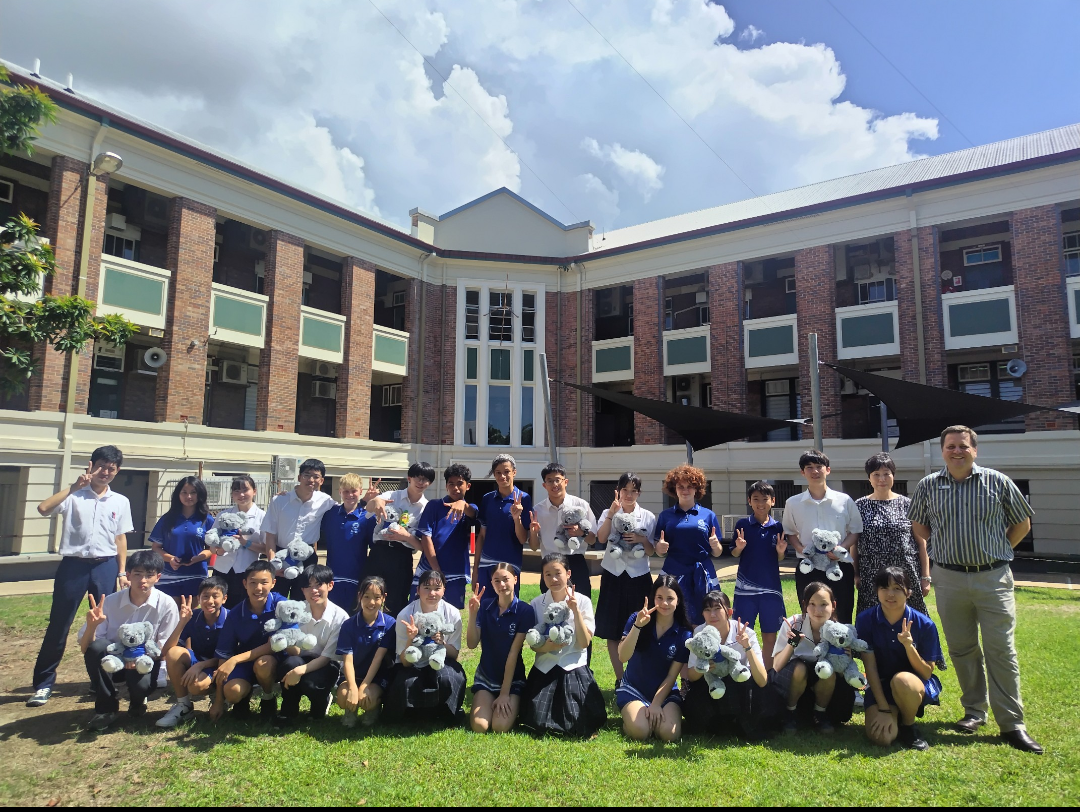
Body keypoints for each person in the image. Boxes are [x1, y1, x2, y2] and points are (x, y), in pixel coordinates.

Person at [909, 425, 1042, 754]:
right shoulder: (928, 486)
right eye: (951, 446)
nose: (957, 451)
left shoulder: (997, 482)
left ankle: (1012, 723)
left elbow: (1022, 523)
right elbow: (919, 525)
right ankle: (974, 712)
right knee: (962, 649)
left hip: (992, 578)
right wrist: (944, 547)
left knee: (1001, 650)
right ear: (942, 451)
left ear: (974, 450)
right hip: (949, 579)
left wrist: (998, 551)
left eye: (963, 446)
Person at [28, 445, 134, 708]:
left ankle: (101, 680)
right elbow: (43, 508)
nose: (105, 472)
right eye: (101, 467)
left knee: (105, 625)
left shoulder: (120, 501)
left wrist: (122, 571)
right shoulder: (75, 495)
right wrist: (75, 487)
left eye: (111, 469)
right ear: (91, 465)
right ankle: (43, 683)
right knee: (59, 625)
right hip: (73, 567)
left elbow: (120, 538)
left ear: (117, 471)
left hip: (106, 566)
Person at [78, 549, 179, 730]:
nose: (143, 580)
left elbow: (164, 648)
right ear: (128, 575)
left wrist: (139, 657)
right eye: (137, 574)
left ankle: (137, 702)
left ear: (158, 577)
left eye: (149, 575)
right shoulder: (110, 602)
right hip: (113, 660)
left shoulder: (166, 604)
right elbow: (87, 648)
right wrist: (92, 626)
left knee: (142, 686)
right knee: (97, 647)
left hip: (144, 661)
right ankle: (106, 708)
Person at [858, 566, 944, 751]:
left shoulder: (925, 624)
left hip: (912, 684)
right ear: (876, 591)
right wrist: (883, 708)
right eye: (884, 588)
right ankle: (894, 711)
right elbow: (870, 667)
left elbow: (926, 673)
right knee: (883, 738)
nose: (890, 594)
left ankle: (908, 724)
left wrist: (909, 646)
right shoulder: (865, 620)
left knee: (902, 680)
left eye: (897, 588)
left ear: (909, 592)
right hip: (881, 684)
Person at [521, 554, 606, 737]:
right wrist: (547, 648)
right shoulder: (536, 603)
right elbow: (534, 645)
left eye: (558, 573)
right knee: (536, 721)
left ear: (568, 574)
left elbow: (584, 642)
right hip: (545, 665)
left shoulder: (582, 601)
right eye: (548, 574)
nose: (553, 579)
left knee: (578, 722)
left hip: (573, 665)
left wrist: (576, 611)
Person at [255, 564, 349, 726]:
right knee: (289, 664)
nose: (314, 591)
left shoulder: (340, 617)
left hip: (326, 664)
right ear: (302, 590)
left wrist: (300, 671)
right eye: (308, 586)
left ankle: (321, 702)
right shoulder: (295, 610)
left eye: (318, 585)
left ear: (330, 585)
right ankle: (288, 710)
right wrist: (285, 638)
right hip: (299, 658)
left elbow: (327, 657)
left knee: (310, 681)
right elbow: (294, 652)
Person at [781, 450, 863, 625]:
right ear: (802, 472)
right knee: (811, 615)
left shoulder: (844, 500)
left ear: (828, 470)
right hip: (808, 567)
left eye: (819, 466)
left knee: (842, 613)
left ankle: (842, 644)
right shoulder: (793, 503)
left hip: (839, 566)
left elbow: (855, 530)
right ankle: (812, 644)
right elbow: (790, 532)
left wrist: (841, 549)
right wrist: (801, 549)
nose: (815, 471)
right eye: (809, 467)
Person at [595, 472, 657, 685]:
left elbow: (651, 551)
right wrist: (611, 514)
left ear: (639, 493)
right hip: (613, 576)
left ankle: (636, 676)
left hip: (639, 577)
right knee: (612, 629)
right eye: (625, 490)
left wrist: (641, 539)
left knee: (640, 627)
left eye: (634, 491)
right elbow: (601, 537)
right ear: (618, 491)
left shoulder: (647, 516)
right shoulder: (608, 512)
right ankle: (620, 678)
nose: (629, 495)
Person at [682, 590, 770, 740]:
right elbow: (691, 676)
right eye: (707, 610)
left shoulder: (746, 633)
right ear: (703, 614)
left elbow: (762, 680)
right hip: (712, 685)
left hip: (738, 687)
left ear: (729, 612)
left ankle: (739, 723)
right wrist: (703, 667)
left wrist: (747, 647)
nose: (712, 615)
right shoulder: (699, 633)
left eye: (717, 609)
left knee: (745, 682)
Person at [383, 570, 467, 726]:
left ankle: (445, 712)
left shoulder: (453, 614)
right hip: (413, 662)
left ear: (444, 590)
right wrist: (410, 639)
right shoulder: (405, 615)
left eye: (437, 588)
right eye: (427, 588)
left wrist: (442, 643)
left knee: (450, 678)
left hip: (439, 661)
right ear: (418, 590)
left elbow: (454, 654)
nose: (432, 593)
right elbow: (404, 662)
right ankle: (415, 714)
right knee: (407, 683)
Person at [770, 581, 856, 733]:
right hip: (793, 679)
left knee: (828, 671)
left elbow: (842, 673)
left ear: (833, 605)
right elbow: (776, 666)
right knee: (800, 668)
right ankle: (790, 712)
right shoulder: (793, 624)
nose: (818, 610)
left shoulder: (839, 632)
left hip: (822, 681)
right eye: (812, 604)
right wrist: (792, 644)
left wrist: (847, 659)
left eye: (824, 604)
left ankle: (820, 713)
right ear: (805, 605)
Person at [616, 573, 693, 742]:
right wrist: (638, 626)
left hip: (665, 692)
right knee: (641, 732)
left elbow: (672, 676)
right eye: (659, 598)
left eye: (670, 598)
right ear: (652, 598)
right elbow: (622, 657)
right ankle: (632, 721)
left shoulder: (684, 634)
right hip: (633, 688)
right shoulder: (636, 618)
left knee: (669, 734)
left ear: (678, 601)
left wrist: (657, 703)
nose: (664, 603)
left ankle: (651, 717)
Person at [855, 453, 931, 617]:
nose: (881, 479)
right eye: (876, 474)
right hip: (872, 573)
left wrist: (925, 577)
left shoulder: (908, 504)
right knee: (872, 619)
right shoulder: (859, 506)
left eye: (886, 474)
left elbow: (921, 543)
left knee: (911, 618)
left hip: (906, 572)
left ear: (893, 476)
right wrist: (856, 574)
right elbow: (855, 543)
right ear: (869, 478)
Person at [209, 560, 284, 720]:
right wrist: (219, 701)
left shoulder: (282, 605)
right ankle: (244, 698)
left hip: (276, 663)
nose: (258, 588)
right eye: (253, 583)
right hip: (246, 663)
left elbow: (274, 645)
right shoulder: (236, 614)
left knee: (264, 664)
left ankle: (268, 698)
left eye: (264, 582)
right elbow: (224, 655)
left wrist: (235, 659)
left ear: (273, 583)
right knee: (232, 692)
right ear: (245, 584)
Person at [467, 563, 534, 733]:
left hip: (512, 680)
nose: (502, 584)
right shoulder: (485, 606)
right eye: (497, 581)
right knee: (480, 726)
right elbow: (471, 644)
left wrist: (504, 693)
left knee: (500, 727)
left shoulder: (525, 610)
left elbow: (513, 652)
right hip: (487, 676)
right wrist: (473, 613)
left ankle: (514, 700)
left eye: (506, 579)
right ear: (491, 583)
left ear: (515, 579)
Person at [652, 465, 722, 625]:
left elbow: (717, 552)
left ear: (697, 489)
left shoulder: (708, 515)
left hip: (702, 573)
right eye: (680, 487)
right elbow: (659, 549)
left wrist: (715, 545)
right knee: (672, 616)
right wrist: (660, 549)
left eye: (690, 486)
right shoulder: (665, 516)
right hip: (674, 572)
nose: (685, 490)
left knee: (706, 615)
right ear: (674, 489)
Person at [155, 575, 229, 728]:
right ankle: (183, 706)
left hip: (223, 665)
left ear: (224, 598)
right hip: (200, 662)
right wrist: (182, 622)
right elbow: (166, 651)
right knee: (174, 653)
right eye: (205, 596)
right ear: (199, 598)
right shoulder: (193, 616)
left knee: (196, 686)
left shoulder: (231, 618)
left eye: (215, 596)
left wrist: (201, 665)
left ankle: (220, 697)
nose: (210, 601)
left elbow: (230, 656)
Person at [363, 462, 435, 617]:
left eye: (425, 479)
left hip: (402, 557)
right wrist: (375, 501)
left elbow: (422, 546)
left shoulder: (427, 508)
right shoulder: (391, 496)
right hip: (379, 552)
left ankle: (394, 631)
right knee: (369, 595)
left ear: (429, 483)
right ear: (409, 478)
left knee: (397, 602)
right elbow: (368, 508)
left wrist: (405, 536)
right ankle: (368, 629)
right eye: (417, 478)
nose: (421, 482)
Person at [731, 481, 788, 670]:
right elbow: (734, 554)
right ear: (749, 501)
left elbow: (780, 558)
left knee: (770, 636)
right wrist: (739, 548)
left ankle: (767, 675)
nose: (760, 503)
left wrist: (780, 552)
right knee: (742, 634)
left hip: (771, 591)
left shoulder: (778, 527)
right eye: (756, 499)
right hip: (745, 592)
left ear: (773, 501)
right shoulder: (742, 525)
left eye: (765, 499)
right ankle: (742, 674)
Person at [263, 458, 336, 600]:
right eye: (307, 475)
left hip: (307, 559)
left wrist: (369, 501)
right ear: (299, 477)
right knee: (275, 600)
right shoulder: (279, 500)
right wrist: (273, 564)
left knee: (303, 601)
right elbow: (270, 534)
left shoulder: (325, 501)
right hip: (281, 556)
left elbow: (346, 508)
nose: (311, 480)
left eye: (316, 476)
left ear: (322, 480)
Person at [413, 463, 480, 610]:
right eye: (451, 483)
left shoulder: (471, 509)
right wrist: (436, 569)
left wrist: (462, 504)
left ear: (468, 486)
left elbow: (473, 514)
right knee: (419, 611)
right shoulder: (434, 506)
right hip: (428, 568)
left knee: (450, 615)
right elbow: (425, 537)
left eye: (460, 483)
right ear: (446, 486)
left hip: (456, 574)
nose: (455, 487)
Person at [529, 462, 598, 600]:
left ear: (565, 482)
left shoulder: (581, 506)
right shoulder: (537, 510)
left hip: (575, 562)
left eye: (558, 480)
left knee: (580, 604)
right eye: (550, 481)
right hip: (550, 563)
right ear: (544, 485)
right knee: (550, 605)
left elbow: (592, 540)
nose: (554, 484)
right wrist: (533, 532)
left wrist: (581, 533)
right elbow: (534, 547)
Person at [335, 575, 397, 728]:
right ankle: (350, 711)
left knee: (368, 698)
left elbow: (378, 658)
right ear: (359, 596)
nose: (371, 602)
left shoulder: (390, 624)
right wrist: (352, 687)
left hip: (376, 677)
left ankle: (373, 709)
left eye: (377, 597)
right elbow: (347, 660)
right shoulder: (348, 625)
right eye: (367, 597)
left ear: (384, 598)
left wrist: (364, 686)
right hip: (353, 674)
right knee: (343, 697)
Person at [473, 454, 530, 610]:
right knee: (484, 609)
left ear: (514, 472)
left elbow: (522, 539)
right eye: (498, 472)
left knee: (508, 609)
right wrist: (475, 570)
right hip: (486, 565)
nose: (502, 476)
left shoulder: (523, 499)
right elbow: (482, 535)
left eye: (506, 472)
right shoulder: (487, 499)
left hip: (510, 565)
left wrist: (517, 518)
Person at [150, 477, 215, 601]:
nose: (188, 496)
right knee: (170, 611)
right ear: (178, 494)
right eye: (184, 492)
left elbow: (211, 549)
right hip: (168, 575)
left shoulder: (207, 520)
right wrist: (171, 559)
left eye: (193, 492)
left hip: (196, 574)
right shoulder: (167, 519)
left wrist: (198, 558)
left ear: (200, 494)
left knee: (190, 611)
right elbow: (156, 548)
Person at [208, 476, 266, 609]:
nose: (241, 495)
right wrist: (219, 551)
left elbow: (266, 548)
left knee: (243, 609)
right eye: (236, 491)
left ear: (254, 491)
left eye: (245, 490)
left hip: (247, 572)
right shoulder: (223, 515)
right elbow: (212, 545)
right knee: (218, 608)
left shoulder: (262, 516)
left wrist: (246, 543)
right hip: (222, 570)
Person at [321, 473, 374, 611]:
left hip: (356, 577)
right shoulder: (330, 513)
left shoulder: (367, 517)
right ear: (340, 492)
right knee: (333, 614)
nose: (350, 495)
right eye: (346, 491)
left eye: (354, 491)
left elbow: (374, 547)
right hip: (333, 576)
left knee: (354, 615)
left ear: (360, 491)